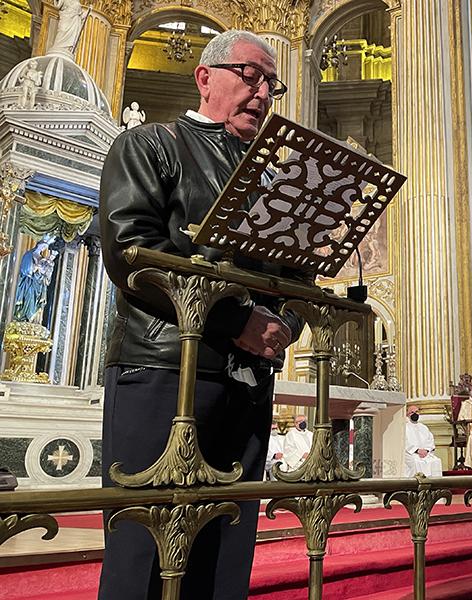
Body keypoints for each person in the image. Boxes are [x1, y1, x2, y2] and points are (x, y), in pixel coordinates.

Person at [98, 30, 300, 600]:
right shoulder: (151, 144)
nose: (262, 91)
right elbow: (131, 248)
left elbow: (295, 276)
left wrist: (283, 326)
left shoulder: (276, 176)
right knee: (146, 544)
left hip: (248, 380)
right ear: (205, 77)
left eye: (272, 83)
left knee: (225, 555)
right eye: (251, 75)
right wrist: (236, 322)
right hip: (162, 367)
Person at [403, 405, 442, 477]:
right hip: (412, 453)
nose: (415, 414)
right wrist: (417, 450)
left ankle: (435, 485)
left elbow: (430, 440)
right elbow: (405, 443)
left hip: (425, 453)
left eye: (416, 412)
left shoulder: (424, 427)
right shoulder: (405, 428)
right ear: (407, 415)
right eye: (412, 412)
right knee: (416, 462)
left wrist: (426, 450)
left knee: (436, 461)